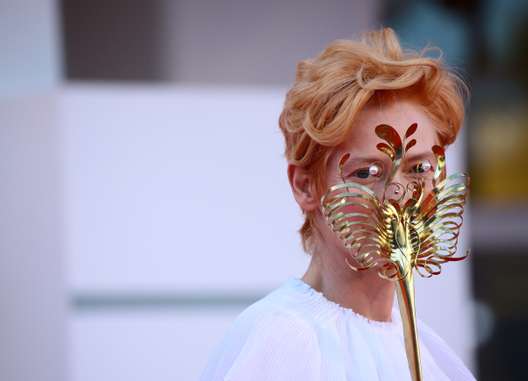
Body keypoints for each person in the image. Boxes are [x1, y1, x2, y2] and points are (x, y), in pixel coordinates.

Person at [200, 27, 476, 381]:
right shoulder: (285, 341)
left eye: (419, 168)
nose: (399, 193)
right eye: (367, 172)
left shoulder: (429, 349)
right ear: (304, 186)